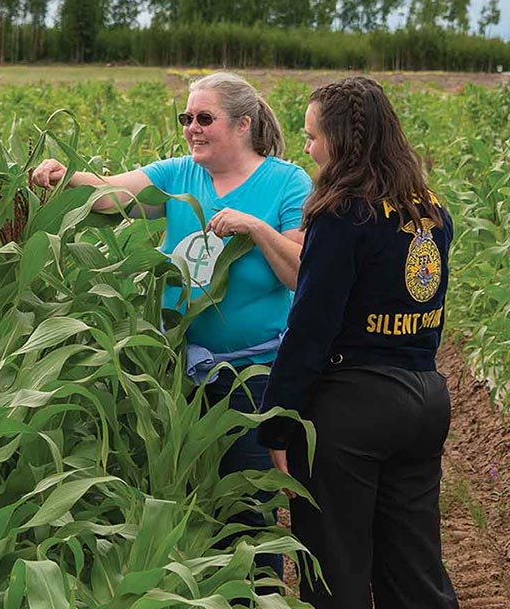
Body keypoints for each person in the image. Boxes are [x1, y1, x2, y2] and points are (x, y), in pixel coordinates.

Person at [33, 72, 311, 579]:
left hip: (255, 377)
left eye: (205, 118)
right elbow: (109, 195)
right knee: (189, 505)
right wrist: (64, 178)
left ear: (243, 123)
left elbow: (298, 270)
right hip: (178, 373)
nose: (191, 128)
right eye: (186, 118)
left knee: (249, 508)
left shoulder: (287, 182)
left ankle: (259, 591)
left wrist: (255, 227)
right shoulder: (179, 175)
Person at [257, 76, 458, 609]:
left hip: (352, 409)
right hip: (424, 396)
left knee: (335, 570)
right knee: (413, 568)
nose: (308, 148)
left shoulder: (344, 213)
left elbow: (310, 328)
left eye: (313, 136)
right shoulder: (429, 208)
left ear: (342, 141)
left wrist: (276, 423)